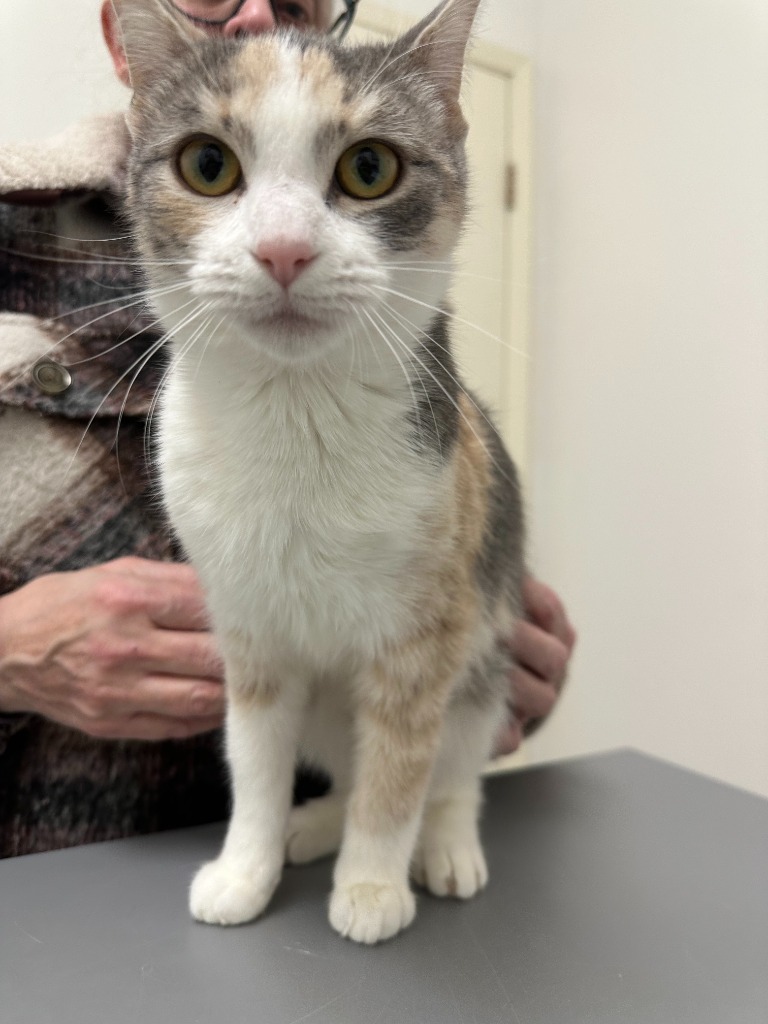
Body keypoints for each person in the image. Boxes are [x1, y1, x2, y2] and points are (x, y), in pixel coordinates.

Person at [0, 0, 575, 858]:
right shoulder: (17, 229)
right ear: (126, 36)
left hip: (327, 825)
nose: (261, 12)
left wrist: (488, 669)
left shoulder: (387, 305)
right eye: (208, 164)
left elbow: (451, 585)